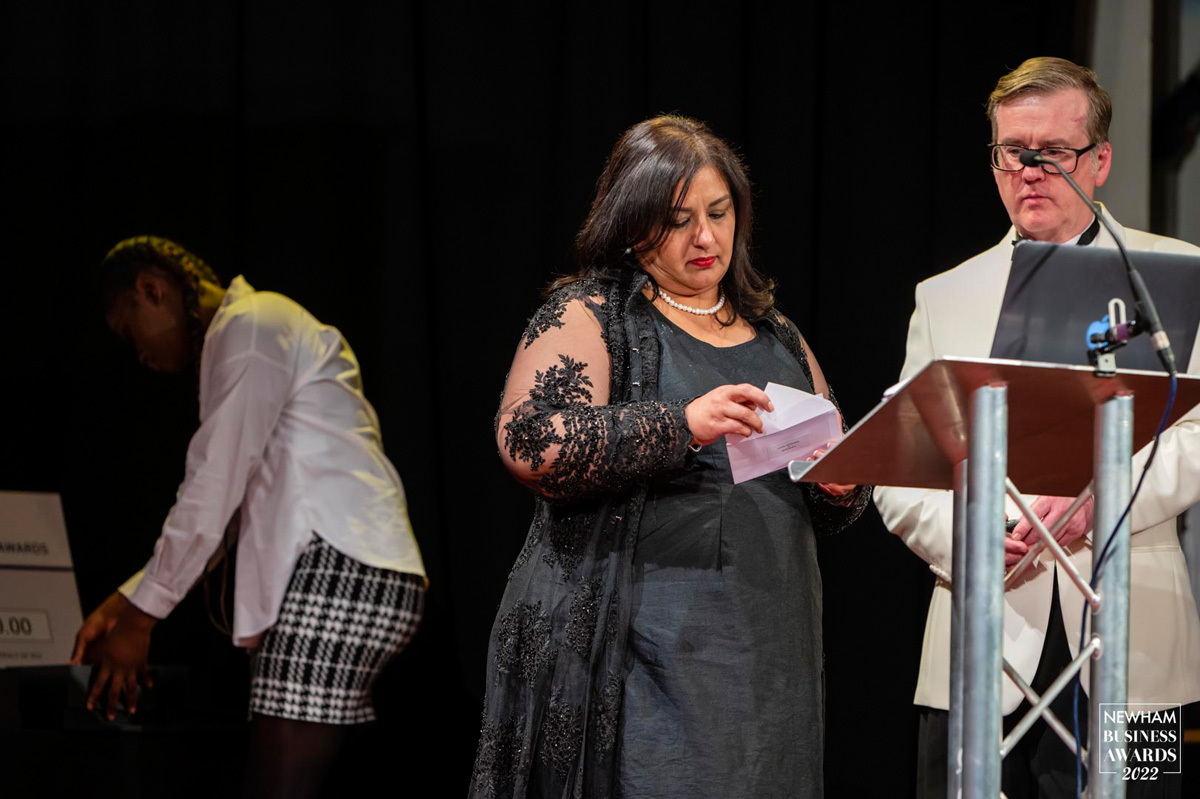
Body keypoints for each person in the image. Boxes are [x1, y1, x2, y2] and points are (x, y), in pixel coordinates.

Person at [469, 115, 871, 799]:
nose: (706, 237)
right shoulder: (594, 314)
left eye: (719, 213)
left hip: (769, 653)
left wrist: (839, 483)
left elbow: (829, 489)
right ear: (632, 223)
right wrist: (682, 423)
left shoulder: (777, 332)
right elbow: (529, 439)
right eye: (679, 221)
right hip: (644, 654)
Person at [874, 57, 1200, 799]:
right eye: (1011, 152)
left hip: (1137, 652)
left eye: (1052, 152)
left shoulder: (1177, 274)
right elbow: (898, 466)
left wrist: (1099, 499)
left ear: (1100, 161)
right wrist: (974, 535)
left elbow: (1196, 433)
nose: (1029, 171)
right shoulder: (944, 296)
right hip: (978, 651)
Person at [71, 236, 427, 799]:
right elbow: (225, 508)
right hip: (339, 570)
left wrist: (141, 621)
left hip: (340, 569)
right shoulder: (247, 334)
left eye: (129, 332)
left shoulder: (252, 325)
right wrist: (125, 601)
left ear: (151, 289)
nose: (139, 355)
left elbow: (210, 490)